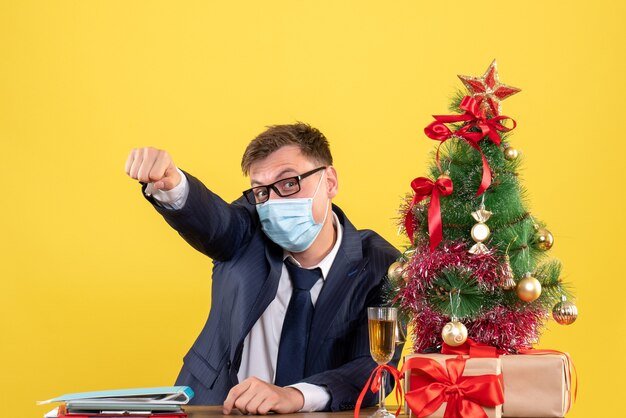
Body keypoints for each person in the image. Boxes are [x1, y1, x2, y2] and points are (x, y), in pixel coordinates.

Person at [124, 123, 402, 414]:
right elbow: (216, 223)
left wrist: (294, 396)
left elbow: (375, 370)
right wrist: (173, 184)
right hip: (211, 407)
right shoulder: (247, 230)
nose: (275, 202)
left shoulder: (382, 266)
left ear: (329, 182)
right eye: (261, 191)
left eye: (289, 183)